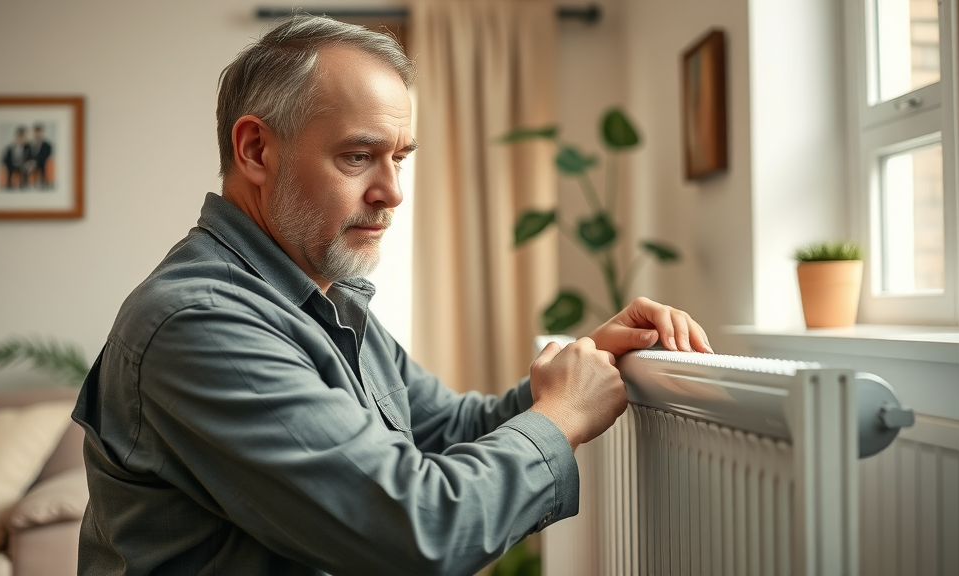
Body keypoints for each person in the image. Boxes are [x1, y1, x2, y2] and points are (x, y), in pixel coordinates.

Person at [72, 14, 712, 576]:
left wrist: (582, 362)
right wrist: (562, 416)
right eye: (358, 157)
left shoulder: (323, 298)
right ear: (255, 149)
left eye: (399, 158)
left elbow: (450, 429)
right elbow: (420, 532)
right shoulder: (200, 323)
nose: (392, 191)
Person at [25, 123, 53, 188]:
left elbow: (46, 155)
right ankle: (27, 184)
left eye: (39, 132)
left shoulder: (47, 145)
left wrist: (36, 162)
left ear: (42, 132)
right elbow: (27, 154)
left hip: (41, 163)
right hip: (31, 163)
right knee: (26, 166)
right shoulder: (29, 144)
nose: (37, 134)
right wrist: (30, 162)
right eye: (36, 131)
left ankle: (42, 183)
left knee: (43, 166)